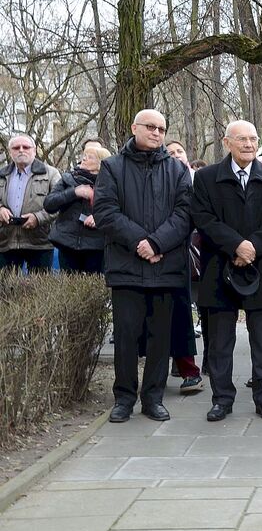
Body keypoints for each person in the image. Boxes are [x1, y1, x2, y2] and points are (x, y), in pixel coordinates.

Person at [93, 109, 192, 423]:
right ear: (134, 127)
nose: (157, 133)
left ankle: (153, 398)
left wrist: (158, 243)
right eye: (151, 127)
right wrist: (140, 242)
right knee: (126, 335)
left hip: (166, 267)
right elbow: (106, 211)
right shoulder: (112, 167)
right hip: (127, 267)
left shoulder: (177, 170)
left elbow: (185, 214)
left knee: (160, 337)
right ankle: (124, 398)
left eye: (162, 128)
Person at [191, 120, 262, 421]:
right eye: (242, 139)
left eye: (253, 139)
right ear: (226, 143)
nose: (248, 144)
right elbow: (203, 218)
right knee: (220, 342)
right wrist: (236, 246)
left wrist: (253, 247)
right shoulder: (207, 178)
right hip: (220, 267)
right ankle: (222, 398)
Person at [164, 139, 204, 393]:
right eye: (170, 152)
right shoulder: (160, 178)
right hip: (157, 251)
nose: (176, 155)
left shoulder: (197, 180)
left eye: (180, 151)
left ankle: (188, 367)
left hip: (187, 253)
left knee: (182, 311)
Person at [44, 139, 111, 274]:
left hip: (97, 246)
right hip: (67, 244)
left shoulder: (111, 183)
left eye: (91, 156)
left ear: (101, 161)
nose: (84, 159)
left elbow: (120, 209)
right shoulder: (68, 178)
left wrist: (99, 217)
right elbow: (49, 204)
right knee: (69, 288)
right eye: (84, 155)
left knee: (93, 288)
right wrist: (74, 192)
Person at [0, 135, 62, 272]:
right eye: (16, 148)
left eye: (26, 147)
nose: (21, 150)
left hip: (40, 242)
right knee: (5, 290)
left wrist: (38, 218)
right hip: (5, 241)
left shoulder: (51, 174)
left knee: (39, 291)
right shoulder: (1, 174)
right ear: (10, 152)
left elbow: (60, 203)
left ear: (34, 151)